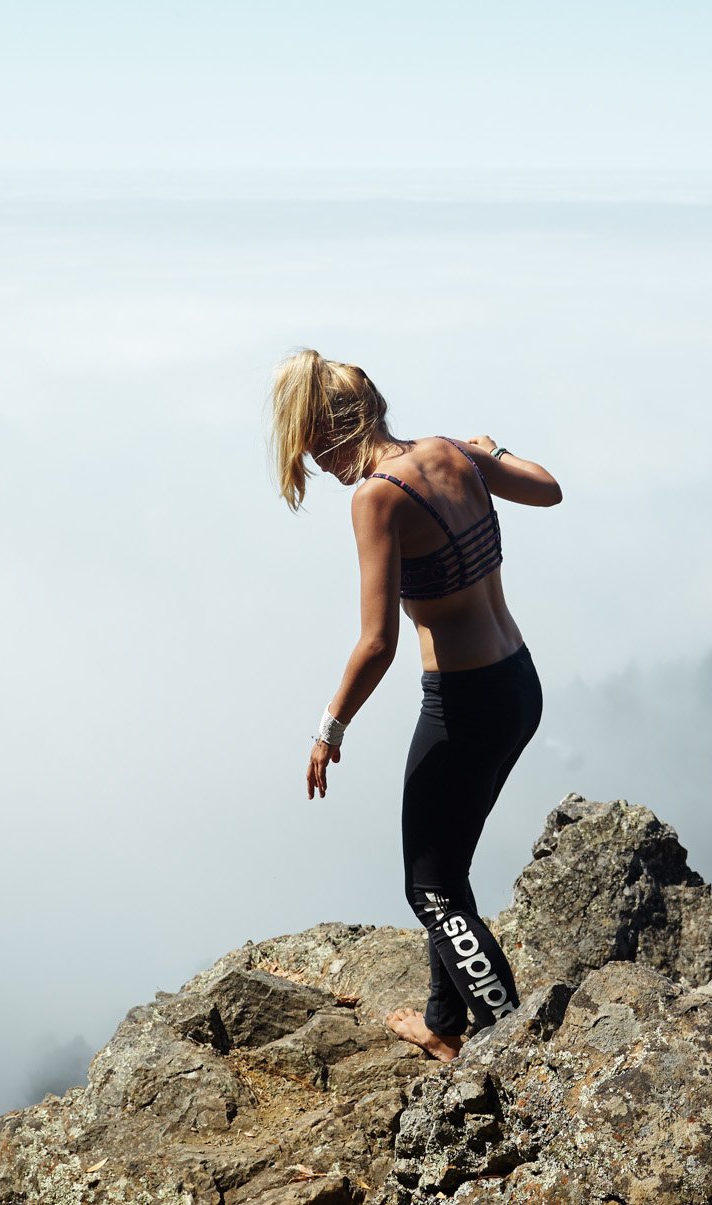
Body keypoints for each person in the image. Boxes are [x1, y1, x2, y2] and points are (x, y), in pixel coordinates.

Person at [269, 349, 563, 1062]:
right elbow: (548, 490)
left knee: (429, 890)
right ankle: (442, 1022)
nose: (319, 466)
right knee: (448, 864)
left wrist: (328, 728)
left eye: (313, 449)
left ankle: (510, 1050)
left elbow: (377, 642)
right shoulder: (450, 453)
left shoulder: (375, 496)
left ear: (334, 431)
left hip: (464, 704)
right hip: (519, 684)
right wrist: (494, 449)